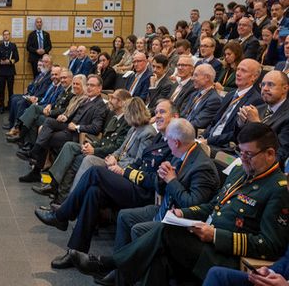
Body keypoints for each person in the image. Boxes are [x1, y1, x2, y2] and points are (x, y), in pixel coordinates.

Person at [112, 123, 289, 286]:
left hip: (227, 256)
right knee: (159, 256)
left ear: (270, 154)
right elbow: (213, 206)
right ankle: (117, 272)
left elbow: (269, 245)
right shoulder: (240, 172)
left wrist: (216, 236)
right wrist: (184, 213)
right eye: (240, 153)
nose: (242, 159)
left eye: (248, 155)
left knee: (167, 232)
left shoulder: (278, 189)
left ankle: (113, 265)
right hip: (205, 240)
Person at [73, 118, 220, 285]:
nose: (166, 143)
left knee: (138, 228)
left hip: (179, 219)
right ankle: (119, 274)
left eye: (168, 140)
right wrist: (162, 177)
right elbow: (159, 183)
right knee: (124, 216)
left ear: (176, 142)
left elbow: (192, 204)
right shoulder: (182, 153)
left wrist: (171, 180)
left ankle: (114, 268)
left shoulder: (202, 166)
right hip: (165, 207)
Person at [32, 98, 160, 269]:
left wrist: (117, 164)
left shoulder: (148, 133)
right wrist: (113, 157)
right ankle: (75, 252)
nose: (124, 116)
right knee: (93, 192)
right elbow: (120, 150)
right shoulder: (133, 130)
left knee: (94, 171)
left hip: (134, 183)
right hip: (120, 170)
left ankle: (62, 215)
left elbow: (138, 162)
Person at [33, 89, 132, 202]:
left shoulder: (126, 122)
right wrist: (91, 145)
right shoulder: (115, 118)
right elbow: (104, 140)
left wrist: (94, 150)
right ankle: (54, 185)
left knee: (76, 158)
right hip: (96, 146)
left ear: (121, 102)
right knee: (69, 146)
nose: (109, 100)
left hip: (106, 155)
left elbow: (116, 146)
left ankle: (61, 197)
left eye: (113, 98)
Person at [18, 74, 108, 182]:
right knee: (48, 122)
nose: (88, 87)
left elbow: (96, 128)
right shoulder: (87, 100)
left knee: (46, 137)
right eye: (88, 85)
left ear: (99, 88)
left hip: (77, 134)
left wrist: (77, 127)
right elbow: (74, 115)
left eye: (92, 85)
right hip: (69, 126)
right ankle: (35, 153)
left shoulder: (100, 105)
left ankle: (37, 168)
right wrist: (65, 117)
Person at [200, 59, 264, 156]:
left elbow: (235, 134)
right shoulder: (230, 94)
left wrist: (208, 141)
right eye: (238, 69)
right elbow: (215, 121)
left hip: (225, 147)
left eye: (243, 71)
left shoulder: (256, 100)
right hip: (209, 140)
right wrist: (202, 137)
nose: (238, 73)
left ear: (254, 77)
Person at [238, 70, 289, 165]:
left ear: (285, 88)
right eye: (263, 84)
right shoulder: (258, 108)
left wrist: (257, 124)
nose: (265, 88)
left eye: (270, 85)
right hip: (242, 157)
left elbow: (280, 154)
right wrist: (241, 124)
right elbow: (238, 141)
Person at [0, 29, 19, 113]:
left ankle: (10, 106)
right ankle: (1, 106)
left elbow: (17, 58)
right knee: (1, 90)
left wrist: (10, 61)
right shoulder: (0, 46)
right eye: (4, 34)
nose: (6, 36)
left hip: (10, 71)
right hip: (1, 71)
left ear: (9, 36)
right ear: (3, 36)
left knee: (10, 90)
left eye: (7, 34)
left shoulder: (13, 46)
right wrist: (0, 62)